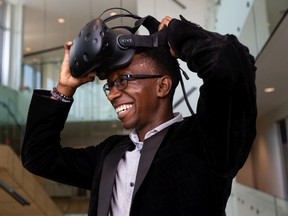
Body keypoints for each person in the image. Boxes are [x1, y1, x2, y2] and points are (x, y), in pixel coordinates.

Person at [21, 15, 257, 216]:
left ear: (162, 86)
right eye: (110, 86)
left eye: (123, 81)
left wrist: (178, 35)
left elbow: (231, 66)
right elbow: (38, 156)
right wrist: (65, 87)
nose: (112, 94)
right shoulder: (110, 153)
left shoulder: (207, 141)